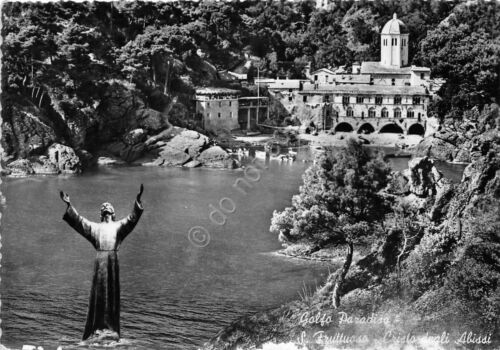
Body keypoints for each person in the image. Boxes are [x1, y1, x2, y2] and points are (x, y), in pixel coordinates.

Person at [60, 184, 144, 341]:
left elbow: (133, 218)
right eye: (104, 210)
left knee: (111, 293)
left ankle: (110, 328)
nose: (106, 211)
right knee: (100, 294)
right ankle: (98, 327)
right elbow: (78, 220)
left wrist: (138, 200)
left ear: (112, 213)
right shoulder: (95, 228)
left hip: (112, 261)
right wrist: (69, 204)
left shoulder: (119, 226)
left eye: (108, 209)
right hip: (101, 262)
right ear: (102, 214)